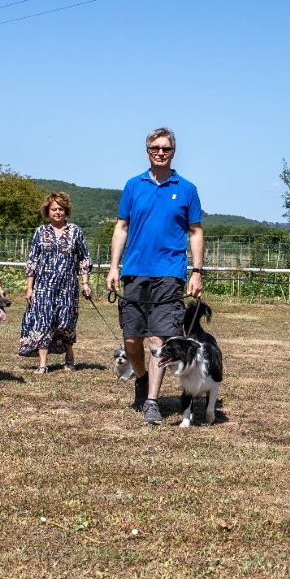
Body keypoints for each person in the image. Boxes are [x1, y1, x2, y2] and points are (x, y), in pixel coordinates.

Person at [107, 128, 204, 424]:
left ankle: (152, 401)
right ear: (147, 150)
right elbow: (121, 227)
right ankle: (141, 376)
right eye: (154, 148)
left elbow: (195, 231)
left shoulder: (186, 189)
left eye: (165, 149)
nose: (160, 153)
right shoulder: (133, 186)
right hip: (134, 273)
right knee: (132, 340)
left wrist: (196, 271)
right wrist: (113, 266)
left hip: (169, 275)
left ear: (173, 151)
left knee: (157, 342)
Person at [19, 192, 93, 373]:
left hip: (68, 286)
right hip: (43, 285)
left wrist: (85, 283)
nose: (57, 212)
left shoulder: (75, 231)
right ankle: (42, 363)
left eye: (60, 209)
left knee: (65, 323)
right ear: (48, 211)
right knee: (43, 320)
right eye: (53, 209)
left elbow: (84, 258)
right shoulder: (40, 232)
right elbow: (32, 261)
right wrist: (29, 287)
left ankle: (69, 354)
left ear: (65, 210)